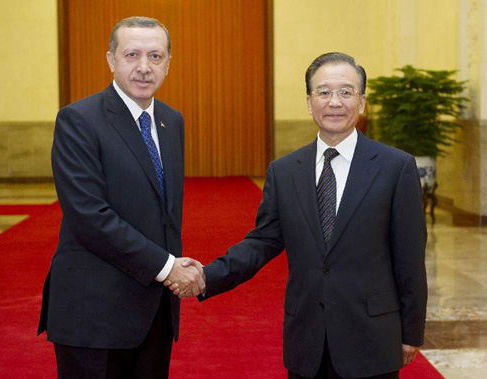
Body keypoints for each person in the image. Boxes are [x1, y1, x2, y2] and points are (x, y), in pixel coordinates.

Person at [167, 52, 428, 378]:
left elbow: (410, 258)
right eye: (324, 92)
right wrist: (208, 276)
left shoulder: (395, 167)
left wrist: (411, 332)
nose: (334, 102)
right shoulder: (285, 171)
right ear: (309, 102)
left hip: (372, 340)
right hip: (307, 343)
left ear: (361, 103)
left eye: (346, 92)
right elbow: (262, 242)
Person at [38, 16, 205, 379]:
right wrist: (167, 267)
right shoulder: (78, 120)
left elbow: (163, 214)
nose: (144, 67)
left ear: (168, 63)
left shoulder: (171, 121)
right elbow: (89, 216)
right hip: (94, 315)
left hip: (155, 312)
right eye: (132, 55)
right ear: (111, 60)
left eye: (155, 56)